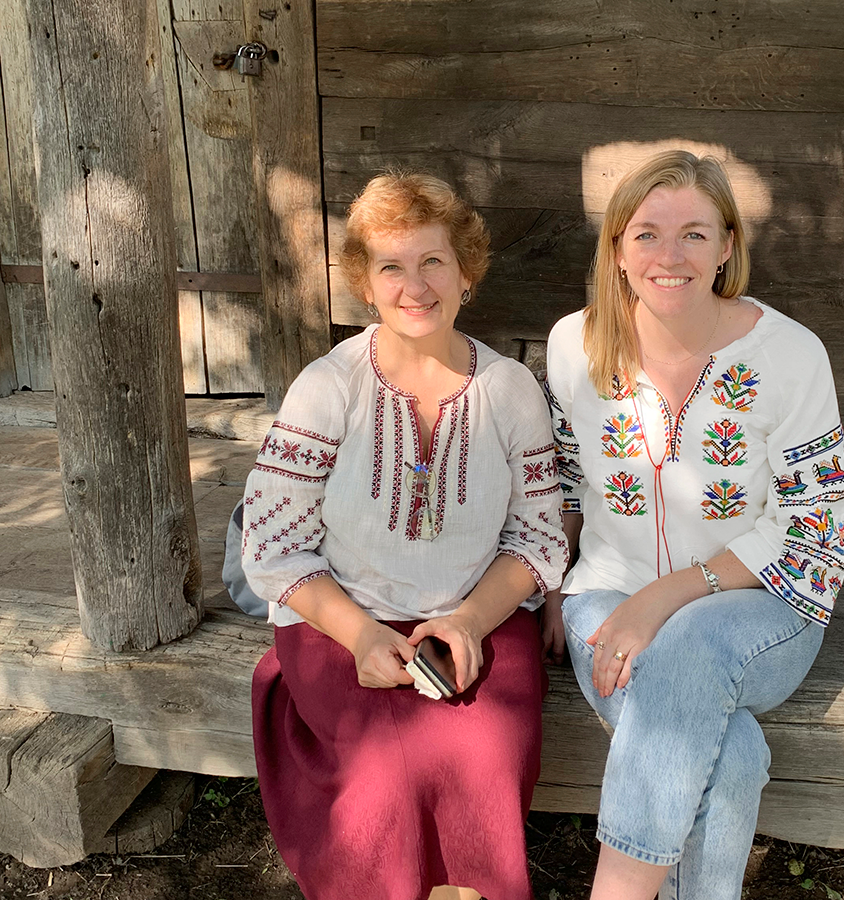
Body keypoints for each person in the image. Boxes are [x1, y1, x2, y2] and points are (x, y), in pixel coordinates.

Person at [244, 171, 568, 900]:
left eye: (433, 262)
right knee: (382, 769)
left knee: (486, 751)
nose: (414, 286)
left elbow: (539, 538)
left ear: (466, 273)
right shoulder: (328, 388)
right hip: (341, 618)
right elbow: (274, 546)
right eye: (392, 265)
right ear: (364, 281)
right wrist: (359, 636)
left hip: (476, 613)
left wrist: (470, 621)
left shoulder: (512, 390)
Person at [542, 150, 844, 900]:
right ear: (616, 250)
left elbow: (818, 530)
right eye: (646, 234)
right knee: (733, 754)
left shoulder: (788, 355)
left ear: (727, 247)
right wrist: (553, 587)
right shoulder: (573, 346)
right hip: (604, 600)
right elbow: (561, 480)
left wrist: (666, 597)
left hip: (761, 606)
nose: (669, 256)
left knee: (689, 642)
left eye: (693, 234)